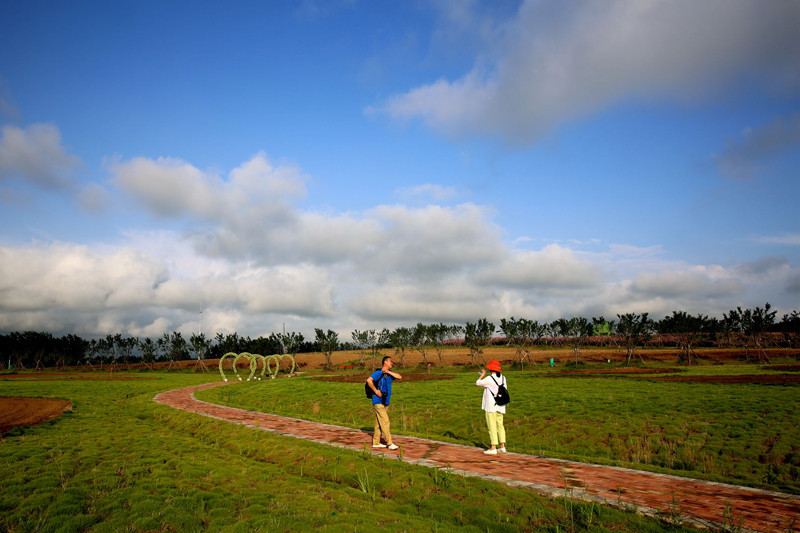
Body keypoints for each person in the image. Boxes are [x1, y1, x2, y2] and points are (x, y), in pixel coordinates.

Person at [366, 355, 403, 450]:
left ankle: (376, 442)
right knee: (385, 421)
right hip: (378, 401)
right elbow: (369, 380)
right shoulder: (378, 372)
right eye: (391, 361)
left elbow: (400, 377)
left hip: (385, 401)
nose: (392, 363)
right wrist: (376, 391)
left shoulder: (390, 373)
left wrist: (388, 372)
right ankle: (390, 443)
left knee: (378, 423)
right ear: (385, 362)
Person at [476, 359, 507, 455]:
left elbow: (477, 383)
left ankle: (493, 447)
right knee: (500, 425)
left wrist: (482, 375)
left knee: (491, 426)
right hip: (501, 404)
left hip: (491, 405)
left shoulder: (489, 379)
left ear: (491, 369)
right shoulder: (503, 378)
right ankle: (502, 446)